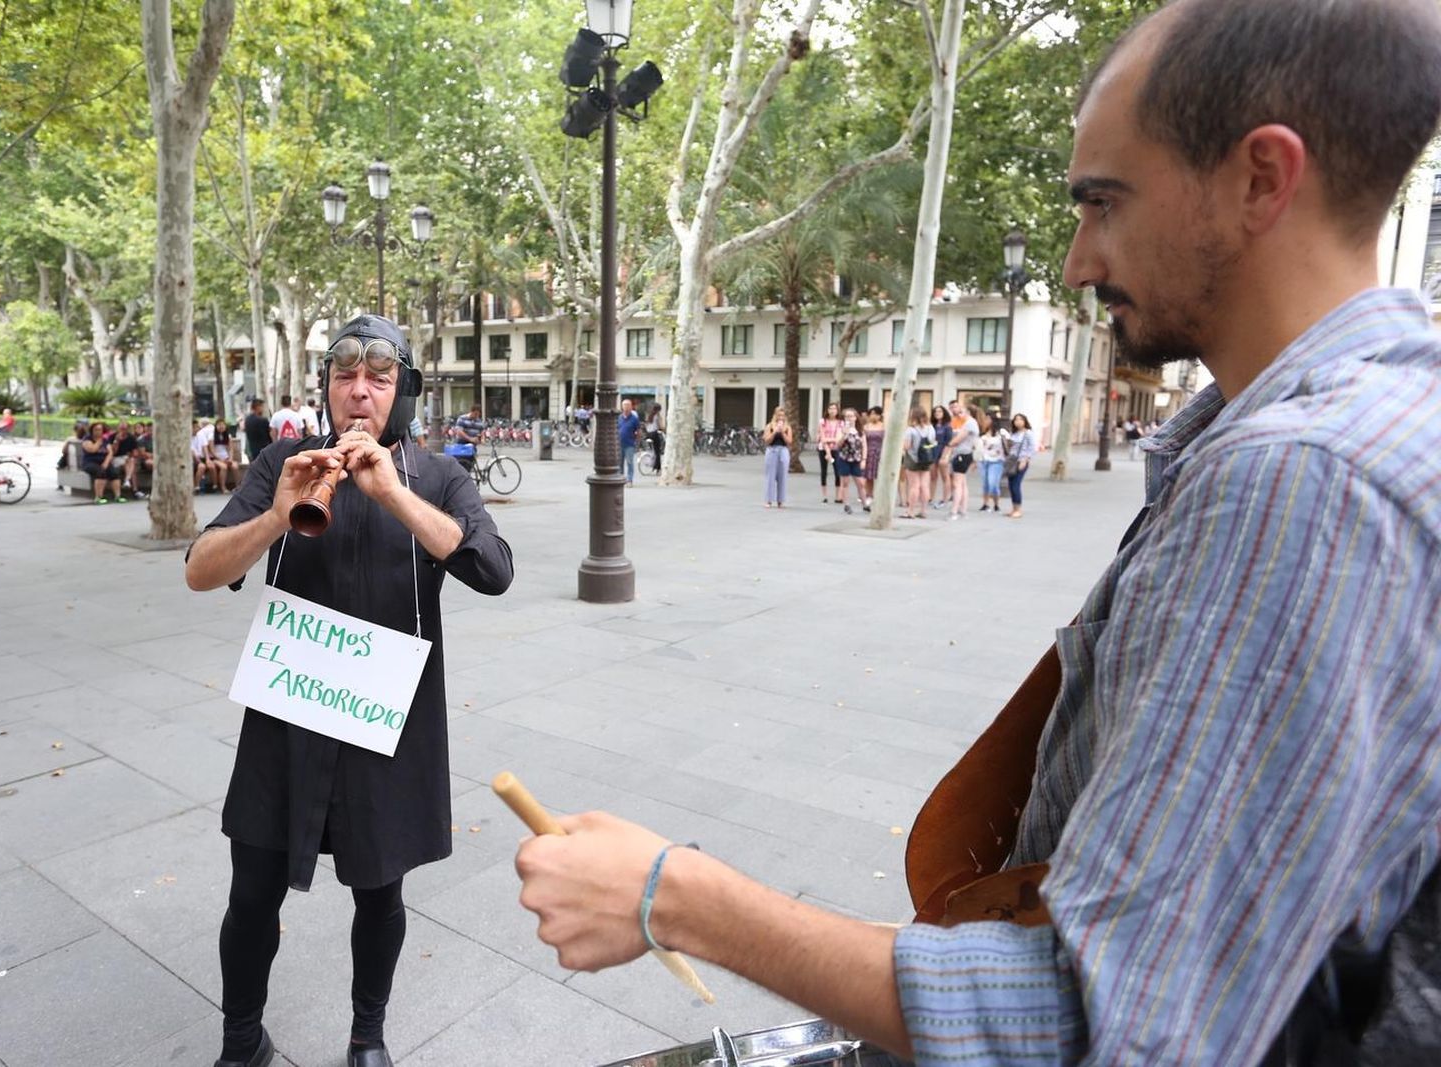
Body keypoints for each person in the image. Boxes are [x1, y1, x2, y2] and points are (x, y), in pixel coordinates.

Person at [512, 2, 1441, 1063]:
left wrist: (672, 894)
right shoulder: (1371, 425)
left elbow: (1090, 1025)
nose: (1078, 258)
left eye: (1102, 202)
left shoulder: (1304, 485)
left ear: (1261, 179)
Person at [185, 314, 513, 1067]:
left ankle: (368, 1035)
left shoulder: (438, 477)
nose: (358, 392)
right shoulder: (282, 461)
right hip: (289, 715)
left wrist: (393, 494)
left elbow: (493, 569)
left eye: (378, 378)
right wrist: (275, 512)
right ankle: (242, 1039)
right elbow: (201, 568)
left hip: (386, 721)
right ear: (327, 386)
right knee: (252, 891)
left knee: (380, 893)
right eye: (344, 376)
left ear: (401, 394)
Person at [944, 400, 979, 519]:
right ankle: (963, 510)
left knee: (957, 483)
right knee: (962, 483)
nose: (960, 413)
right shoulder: (968, 423)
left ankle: (954, 511)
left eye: (962, 411)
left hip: (962, 454)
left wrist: (948, 446)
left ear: (968, 412)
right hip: (964, 453)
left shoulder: (969, 423)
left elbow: (958, 439)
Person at [900, 406, 935, 519]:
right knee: (925, 486)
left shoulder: (910, 430)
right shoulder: (931, 428)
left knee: (914, 486)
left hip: (913, 459)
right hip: (927, 459)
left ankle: (910, 511)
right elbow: (933, 443)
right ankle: (923, 511)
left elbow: (907, 446)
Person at [832, 407, 866, 515]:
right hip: (844, 458)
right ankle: (847, 504)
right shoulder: (841, 429)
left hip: (856, 459)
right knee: (845, 482)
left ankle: (865, 504)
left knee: (860, 483)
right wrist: (844, 435)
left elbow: (864, 446)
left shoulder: (860, 431)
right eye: (847, 416)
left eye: (851, 416)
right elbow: (837, 445)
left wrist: (864, 459)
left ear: (856, 418)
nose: (849, 418)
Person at [80, 421, 123, 504]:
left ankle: (118, 496)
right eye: (96, 430)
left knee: (114, 473)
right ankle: (98, 497)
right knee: (100, 472)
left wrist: (106, 463)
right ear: (92, 430)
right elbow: (92, 450)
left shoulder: (105, 440)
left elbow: (110, 452)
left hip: (103, 462)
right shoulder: (87, 439)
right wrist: (99, 442)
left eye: (100, 430)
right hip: (90, 462)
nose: (98, 432)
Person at [1005, 413, 1037, 519]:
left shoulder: (1028, 433)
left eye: (1020, 419)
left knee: (1016, 485)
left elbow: (1032, 448)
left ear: (1025, 421)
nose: (1018, 422)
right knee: (1010, 485)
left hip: (1021, 461)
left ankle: (1018, 509)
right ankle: (1014, 508)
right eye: (1016, 420)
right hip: (1012, 461)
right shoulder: (1014, 433)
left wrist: (1025, 459)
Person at [760, 406, 791, 508]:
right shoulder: (770, 426)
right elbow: (766, 440)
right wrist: (774, 432)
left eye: (783, 415)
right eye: (779, 415)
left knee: (782, 476)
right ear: (775, 415)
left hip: (783, 451)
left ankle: (780, 501)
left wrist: (782, 432)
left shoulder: (787, 427)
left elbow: (789, 442)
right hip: (772, 450)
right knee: (770, 476)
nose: (781, 417)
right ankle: (768, 500)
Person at [977, 416, 1008, 513]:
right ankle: (985, 504)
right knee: (985, 484)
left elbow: (1008, 443)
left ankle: (996, 504)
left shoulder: (1001, 432)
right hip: (983, 460)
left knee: (993, 483)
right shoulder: (982, 433)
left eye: (987, 419)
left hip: (997, 461)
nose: (985, 421)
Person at [816, 401, 844, 503]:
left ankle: (838, 495)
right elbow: (822, 437)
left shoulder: (841, 422)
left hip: (836, 448)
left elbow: (839, 438)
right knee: (824, 471)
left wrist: (830, 440)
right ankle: (824, 495)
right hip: (823, 448)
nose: (832, 411)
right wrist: (827, 451)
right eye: (830, 408)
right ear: (827, 410)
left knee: (837, 471)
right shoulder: (822, 421)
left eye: (834, 409)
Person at [860, 406, 885, 512]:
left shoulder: (884, 426)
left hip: (880, 452)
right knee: (868, 476)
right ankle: (869, 495)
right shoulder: (866, 427)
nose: (874, 416)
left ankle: (881, 497)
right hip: (869, 453)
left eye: (876, 414)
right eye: (871, 413)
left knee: (880, 477)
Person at [928, 404, 952, 508]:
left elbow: (949, 442)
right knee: (932, 476)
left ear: (944, 413)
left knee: (945, 476)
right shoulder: (931, 426)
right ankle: (930, 498)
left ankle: (945, 499)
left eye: (940, 411)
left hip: (943, 451)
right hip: (933, 451)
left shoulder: (947, 427)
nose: (937, 413)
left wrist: (945, 456)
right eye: (935, 412)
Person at [449, 403, 484, 474]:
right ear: (471, 411)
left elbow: (481, 432)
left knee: (470, 465)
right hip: (462, 445)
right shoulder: (462, 418)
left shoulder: (479, 421)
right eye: (475, 414)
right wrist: (470, 439)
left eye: (478, 415)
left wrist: (481, 439)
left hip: (472, 446)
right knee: (461, 465)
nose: (476, 416)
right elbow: (459, 432)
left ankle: (466, 477)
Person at [210, 417, 240, 492]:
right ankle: (223, 488)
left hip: (226, 457)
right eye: (219, 425)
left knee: (235, 466)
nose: (221, 427)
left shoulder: (228, 436)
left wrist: (230, 458)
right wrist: (221, 460)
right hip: (216, 459)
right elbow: (212, 451)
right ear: (216, 426)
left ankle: (238, 487)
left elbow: (230, 449)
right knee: (224, 467)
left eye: (223, 425)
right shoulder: (212, 436)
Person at [618, 399, 641, 485]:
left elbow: (638, 431)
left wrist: (637, 442)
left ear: (631, 407)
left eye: (628, 405)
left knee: (629, 462)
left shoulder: (634, 419)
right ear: (622, 407)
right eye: (624, 405)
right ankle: (620, 478)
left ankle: (629, 479)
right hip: (619, 443)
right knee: (619, 463)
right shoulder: (619, 417)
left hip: (630, 444)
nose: (626, 407)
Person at [191, 419, 217, 492]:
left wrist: (208, 459)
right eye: (194, 427)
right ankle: (197, 486)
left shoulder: (201, 434)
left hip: (202, 457)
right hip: (193, 459)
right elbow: (192, 451)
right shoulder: (187, 436)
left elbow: (205, 447)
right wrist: (198, 461)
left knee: (211, 466)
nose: (196, 429)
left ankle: (215, 486)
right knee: (202, 467)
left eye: (197, 427)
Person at [644, 403, 665, 468]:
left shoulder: (649, 415)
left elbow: (646, 424)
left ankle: (651, 461)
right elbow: (660, 426)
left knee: (652, 449)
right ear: (658, 410)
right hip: (654, 434)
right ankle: (657, 467)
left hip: (648, 434)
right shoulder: (657, 416)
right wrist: (664, 429)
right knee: (657, 451)